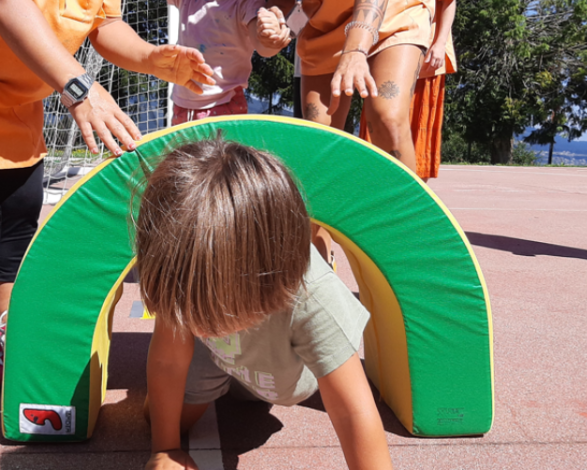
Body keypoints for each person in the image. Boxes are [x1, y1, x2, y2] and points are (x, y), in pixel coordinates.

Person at [0, 0, 214, 391]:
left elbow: (104, 23)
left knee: (21, 202)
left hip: (12, 87)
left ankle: (7, 318)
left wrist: (151, 58)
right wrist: (80, 89)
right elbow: (3, 5)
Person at [137, 136, 393, 470]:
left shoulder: (313, 296)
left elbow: (353, 412)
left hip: (283, 371)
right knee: (152, 416)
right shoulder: (187, 267)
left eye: (209, 315)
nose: (196, 326)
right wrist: (165, 450)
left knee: (256, 400)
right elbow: (168, 362)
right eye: (190, 313)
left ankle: (320, 248)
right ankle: (227, 378)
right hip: (224, 356)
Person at [261, 0, 433, 266]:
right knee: (319, 142)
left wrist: (355, 49)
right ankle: (318, 262)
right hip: (324, 25)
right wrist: (275, 18)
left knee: (386, 117)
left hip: (394, 11)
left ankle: (412, 255)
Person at [359, 0, 457, 182]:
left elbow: (448, 3)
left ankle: (414, 200)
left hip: (424, 55)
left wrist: (440, 43)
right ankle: (381, 193)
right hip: (380, 46)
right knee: (379, 127)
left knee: (416, 130)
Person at [168, 1, 292, 125]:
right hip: (181, 104)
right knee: (182, 145)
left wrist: (272, 39)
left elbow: (263, 47)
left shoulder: (244, 3)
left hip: (224, 103)